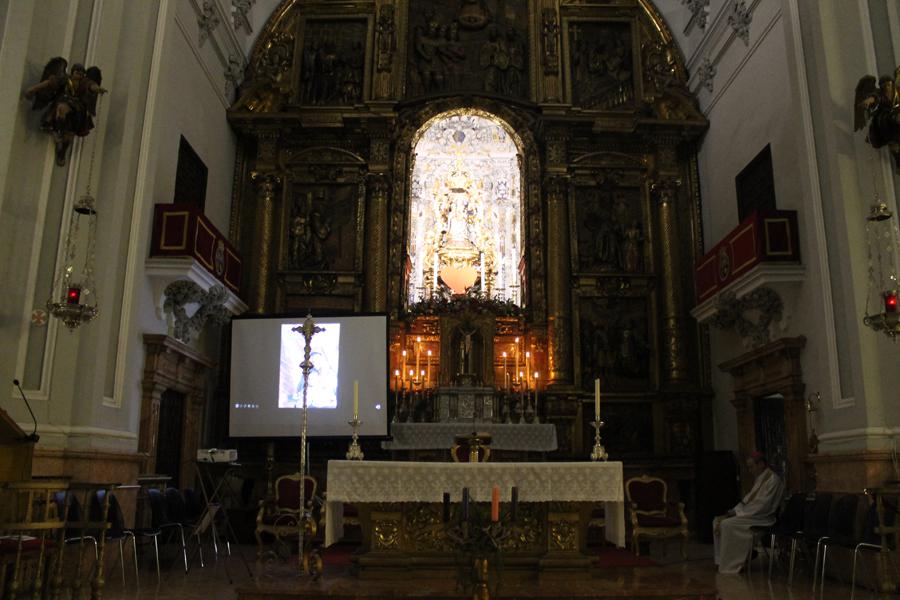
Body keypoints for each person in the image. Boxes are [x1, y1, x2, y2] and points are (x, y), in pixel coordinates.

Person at [713, 451, 784, 574]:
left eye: (751, 466)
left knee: (727, 524)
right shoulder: (761, 479)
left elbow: (762, 505)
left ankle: (733, 564)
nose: (750, 470)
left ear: (761, 464)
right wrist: (735, 510)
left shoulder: (773, 480)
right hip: (753, 514)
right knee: (717, 521)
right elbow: (748, 499)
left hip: (763, 517)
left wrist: (738, 513)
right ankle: (722, 561)